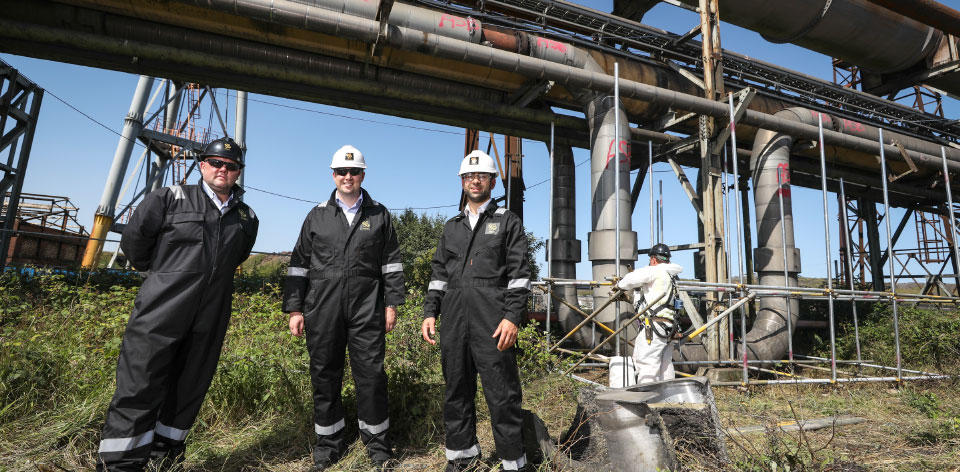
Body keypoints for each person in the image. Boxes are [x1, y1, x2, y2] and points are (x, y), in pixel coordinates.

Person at [97, 137, 259, 471]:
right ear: (202, 165)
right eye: (215, 162)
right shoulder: (169, 199)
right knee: (139, 387)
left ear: (238, 172)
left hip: (209, 319)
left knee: (189, 389)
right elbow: (135, 243)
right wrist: (164, 279)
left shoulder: (246, 217)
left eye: (230, 166)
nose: (222, 170)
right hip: (160, 313)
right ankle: (120, 465)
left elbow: (235, 257)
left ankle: (164, 458)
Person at [283, 145, 405, 472]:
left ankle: (378, 447)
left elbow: (391, 265)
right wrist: (295, 309)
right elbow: (298, 266)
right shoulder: (317, 215)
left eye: (354, 172)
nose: (347, 177)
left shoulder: (379, 214)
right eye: (341, 172)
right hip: (322, 307)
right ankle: (329, 446)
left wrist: (391, 304)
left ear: (363, 175)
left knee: (372, 375)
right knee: (324, 374)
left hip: (367, 307)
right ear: (332, 175)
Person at [421, 150, 531, 472]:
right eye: (469, 176)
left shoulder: (507, 221)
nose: (475, 180)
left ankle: (514, 463)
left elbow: (520, 275)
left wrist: (512, 317)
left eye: (481, 176)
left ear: (492, 181)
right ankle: (462, 458)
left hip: (492, 321)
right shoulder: (451, 227)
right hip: (454, 320)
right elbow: (439, 275)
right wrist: (430, 312)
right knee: (456, 391)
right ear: (462, 181)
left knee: (502, 394)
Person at [617, 243, 683, 384]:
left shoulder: (655, 271)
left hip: (654, 326)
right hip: (669, 326)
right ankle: (668, 397)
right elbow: (654, 298)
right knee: (665, 364)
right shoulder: (671, 277)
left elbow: (629, 280)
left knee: (647, 361)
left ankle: (647, 397)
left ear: (653, 259)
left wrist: (619, 285)